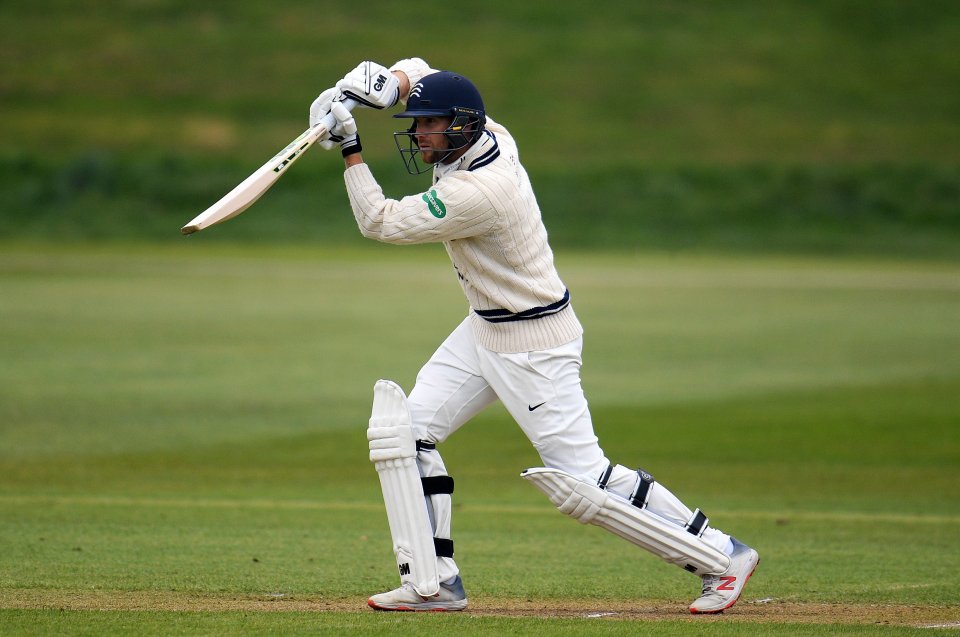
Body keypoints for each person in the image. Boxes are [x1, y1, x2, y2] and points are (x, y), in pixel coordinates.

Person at [309, 58, 759, 615]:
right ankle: (434, 582)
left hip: (534, 343)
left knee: (582, 482)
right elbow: (421, 68)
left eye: (428, 124)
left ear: (461, 126)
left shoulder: (480, 192)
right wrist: (372, 89)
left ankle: (723, 555)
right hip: (484, 326)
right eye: (415, 121)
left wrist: (351, 145)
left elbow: (379, 221)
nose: (418, 134)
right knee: (406, 433)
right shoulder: (488, 131)